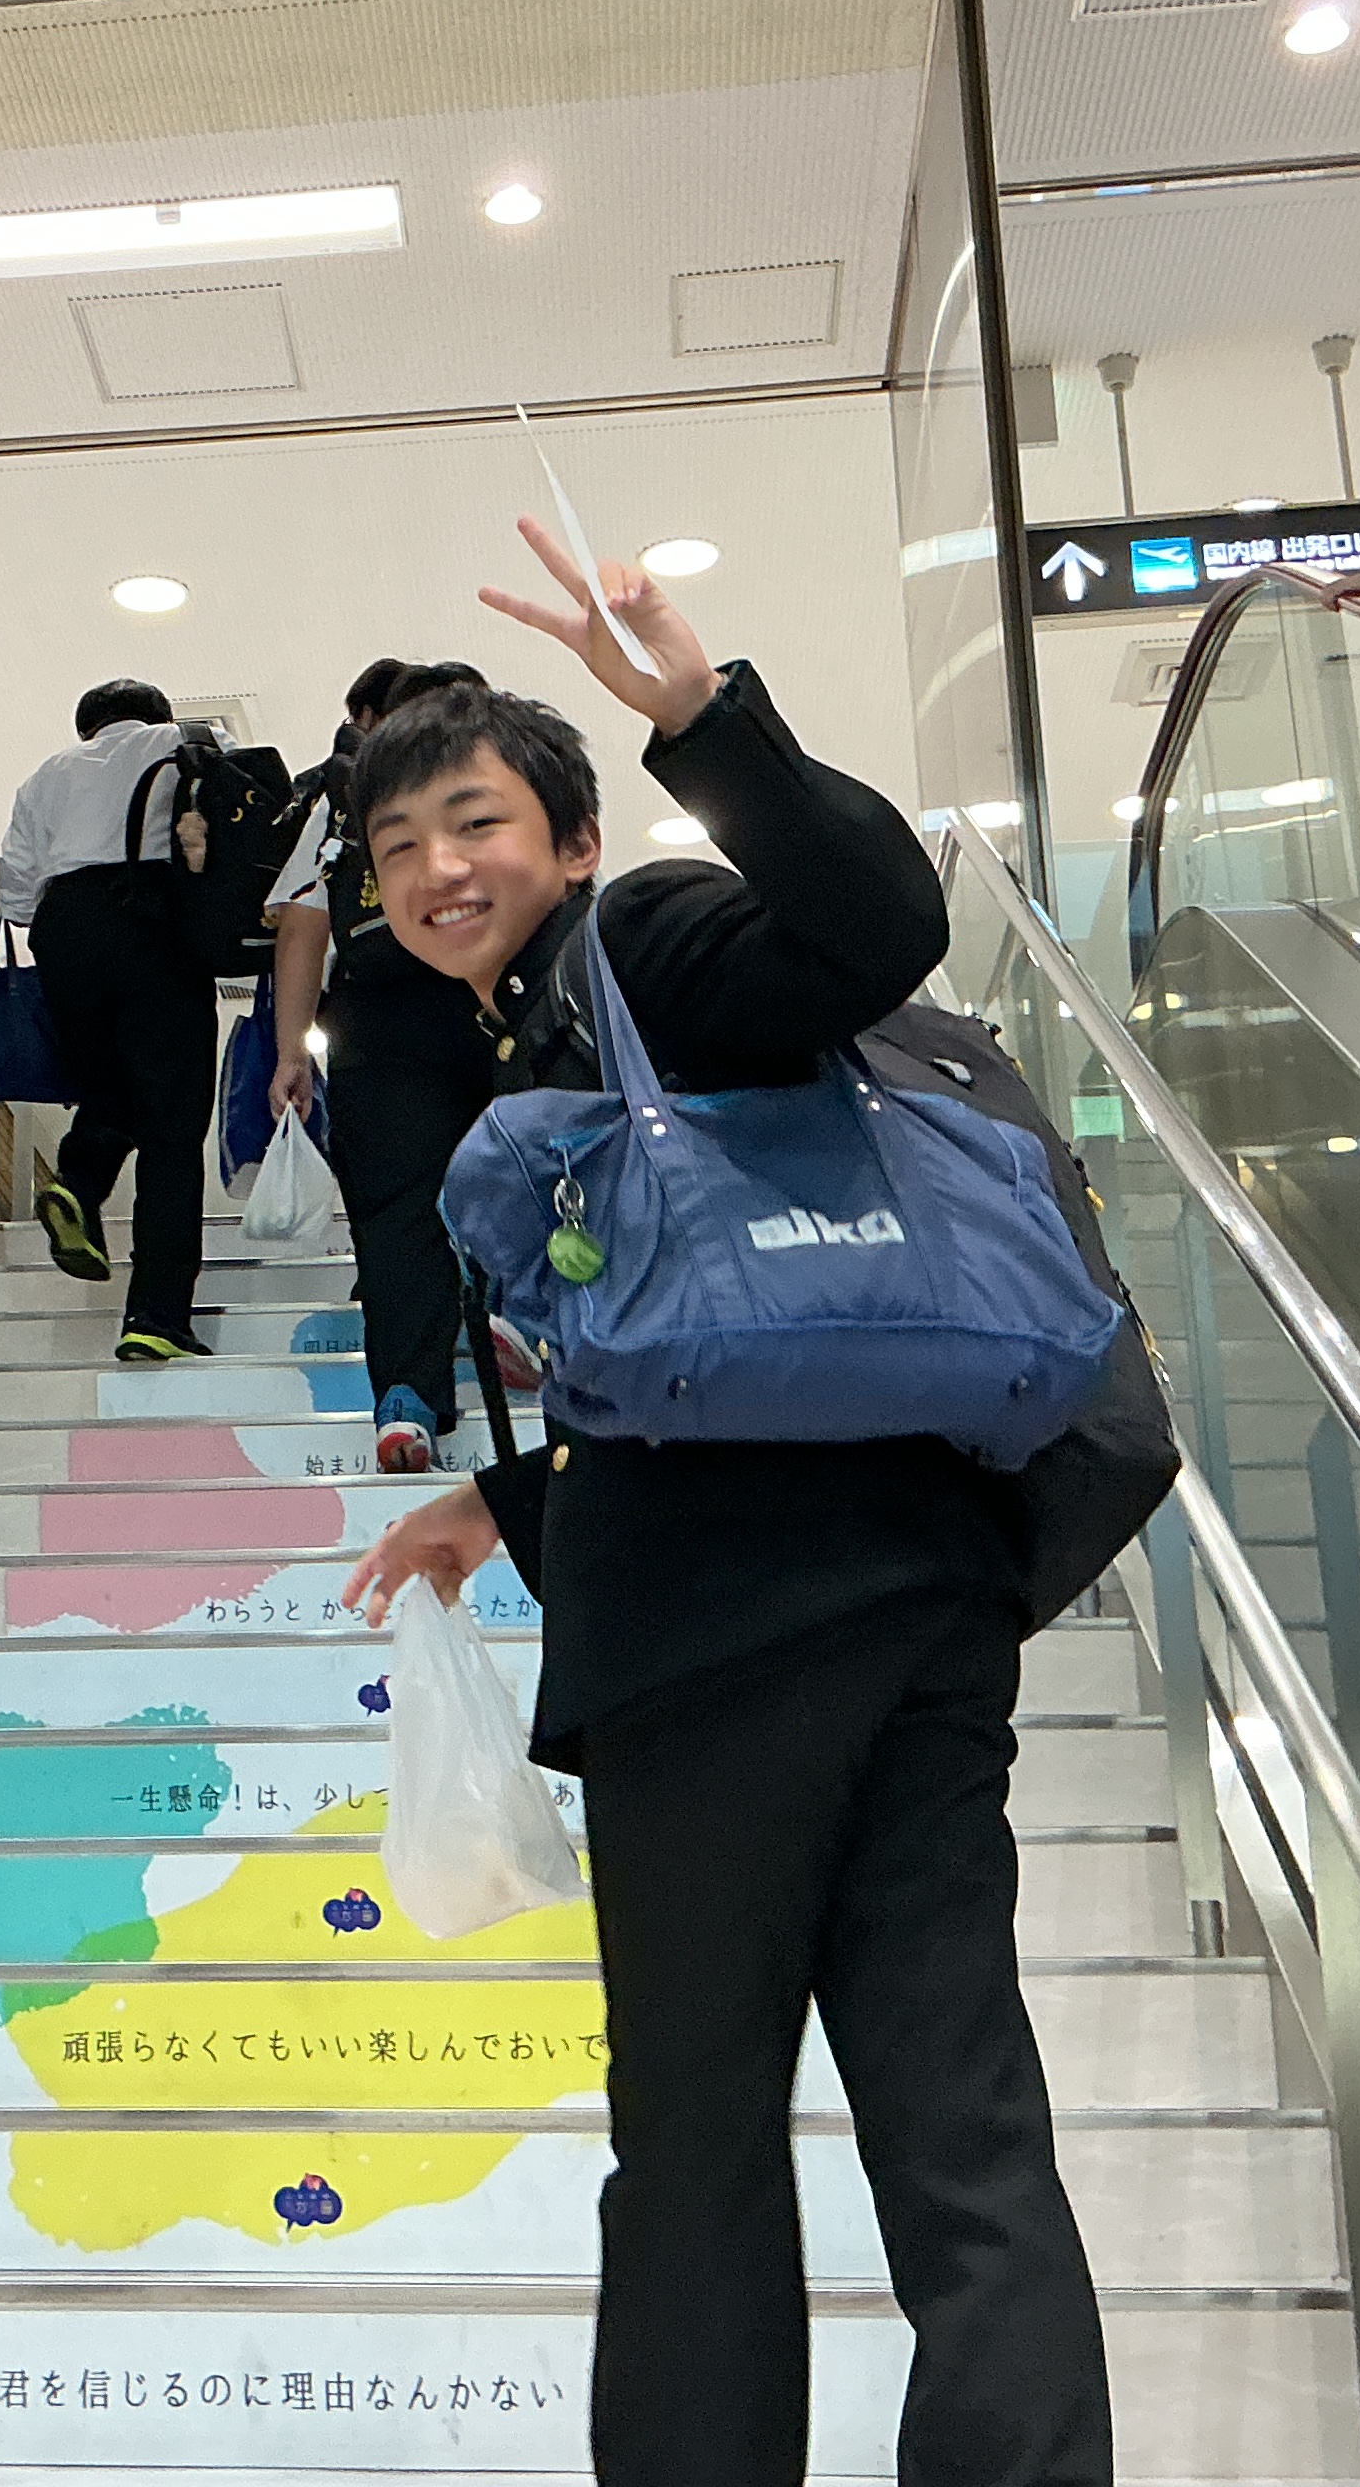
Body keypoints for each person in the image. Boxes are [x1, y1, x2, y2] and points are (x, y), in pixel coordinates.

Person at [343, 525, 1111, 2487]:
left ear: (575, 836)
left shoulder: (644, 941)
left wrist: (703, 714)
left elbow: (873, 922)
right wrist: (502, 1512)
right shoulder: (567, 1033)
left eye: (474, 820)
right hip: (912, 1606)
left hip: (723, 1659)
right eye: (396, 847)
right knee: (961, 2132)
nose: (436, 869)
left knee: (691, 2152)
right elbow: (718, 1353)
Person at [267, 657, 492, 1471]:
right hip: (493, 1003)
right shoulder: (507, 785)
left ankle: (408, 1399)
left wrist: (292, 1051)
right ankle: (527, 1337)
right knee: (527, 1175)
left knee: (398, 1211)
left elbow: (304, 925)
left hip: (378, 1019)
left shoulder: (345, 797)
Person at [0, 678, 220, 1362]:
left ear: (86, 727)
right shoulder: (184, 741)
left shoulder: (45, 776)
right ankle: (157, 1317)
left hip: (65, 931)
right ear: (158, 715)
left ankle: (79, 1183)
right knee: (172, 1131)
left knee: (112, 1087)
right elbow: (242, 814)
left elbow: (16, 897)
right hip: (153, 919)